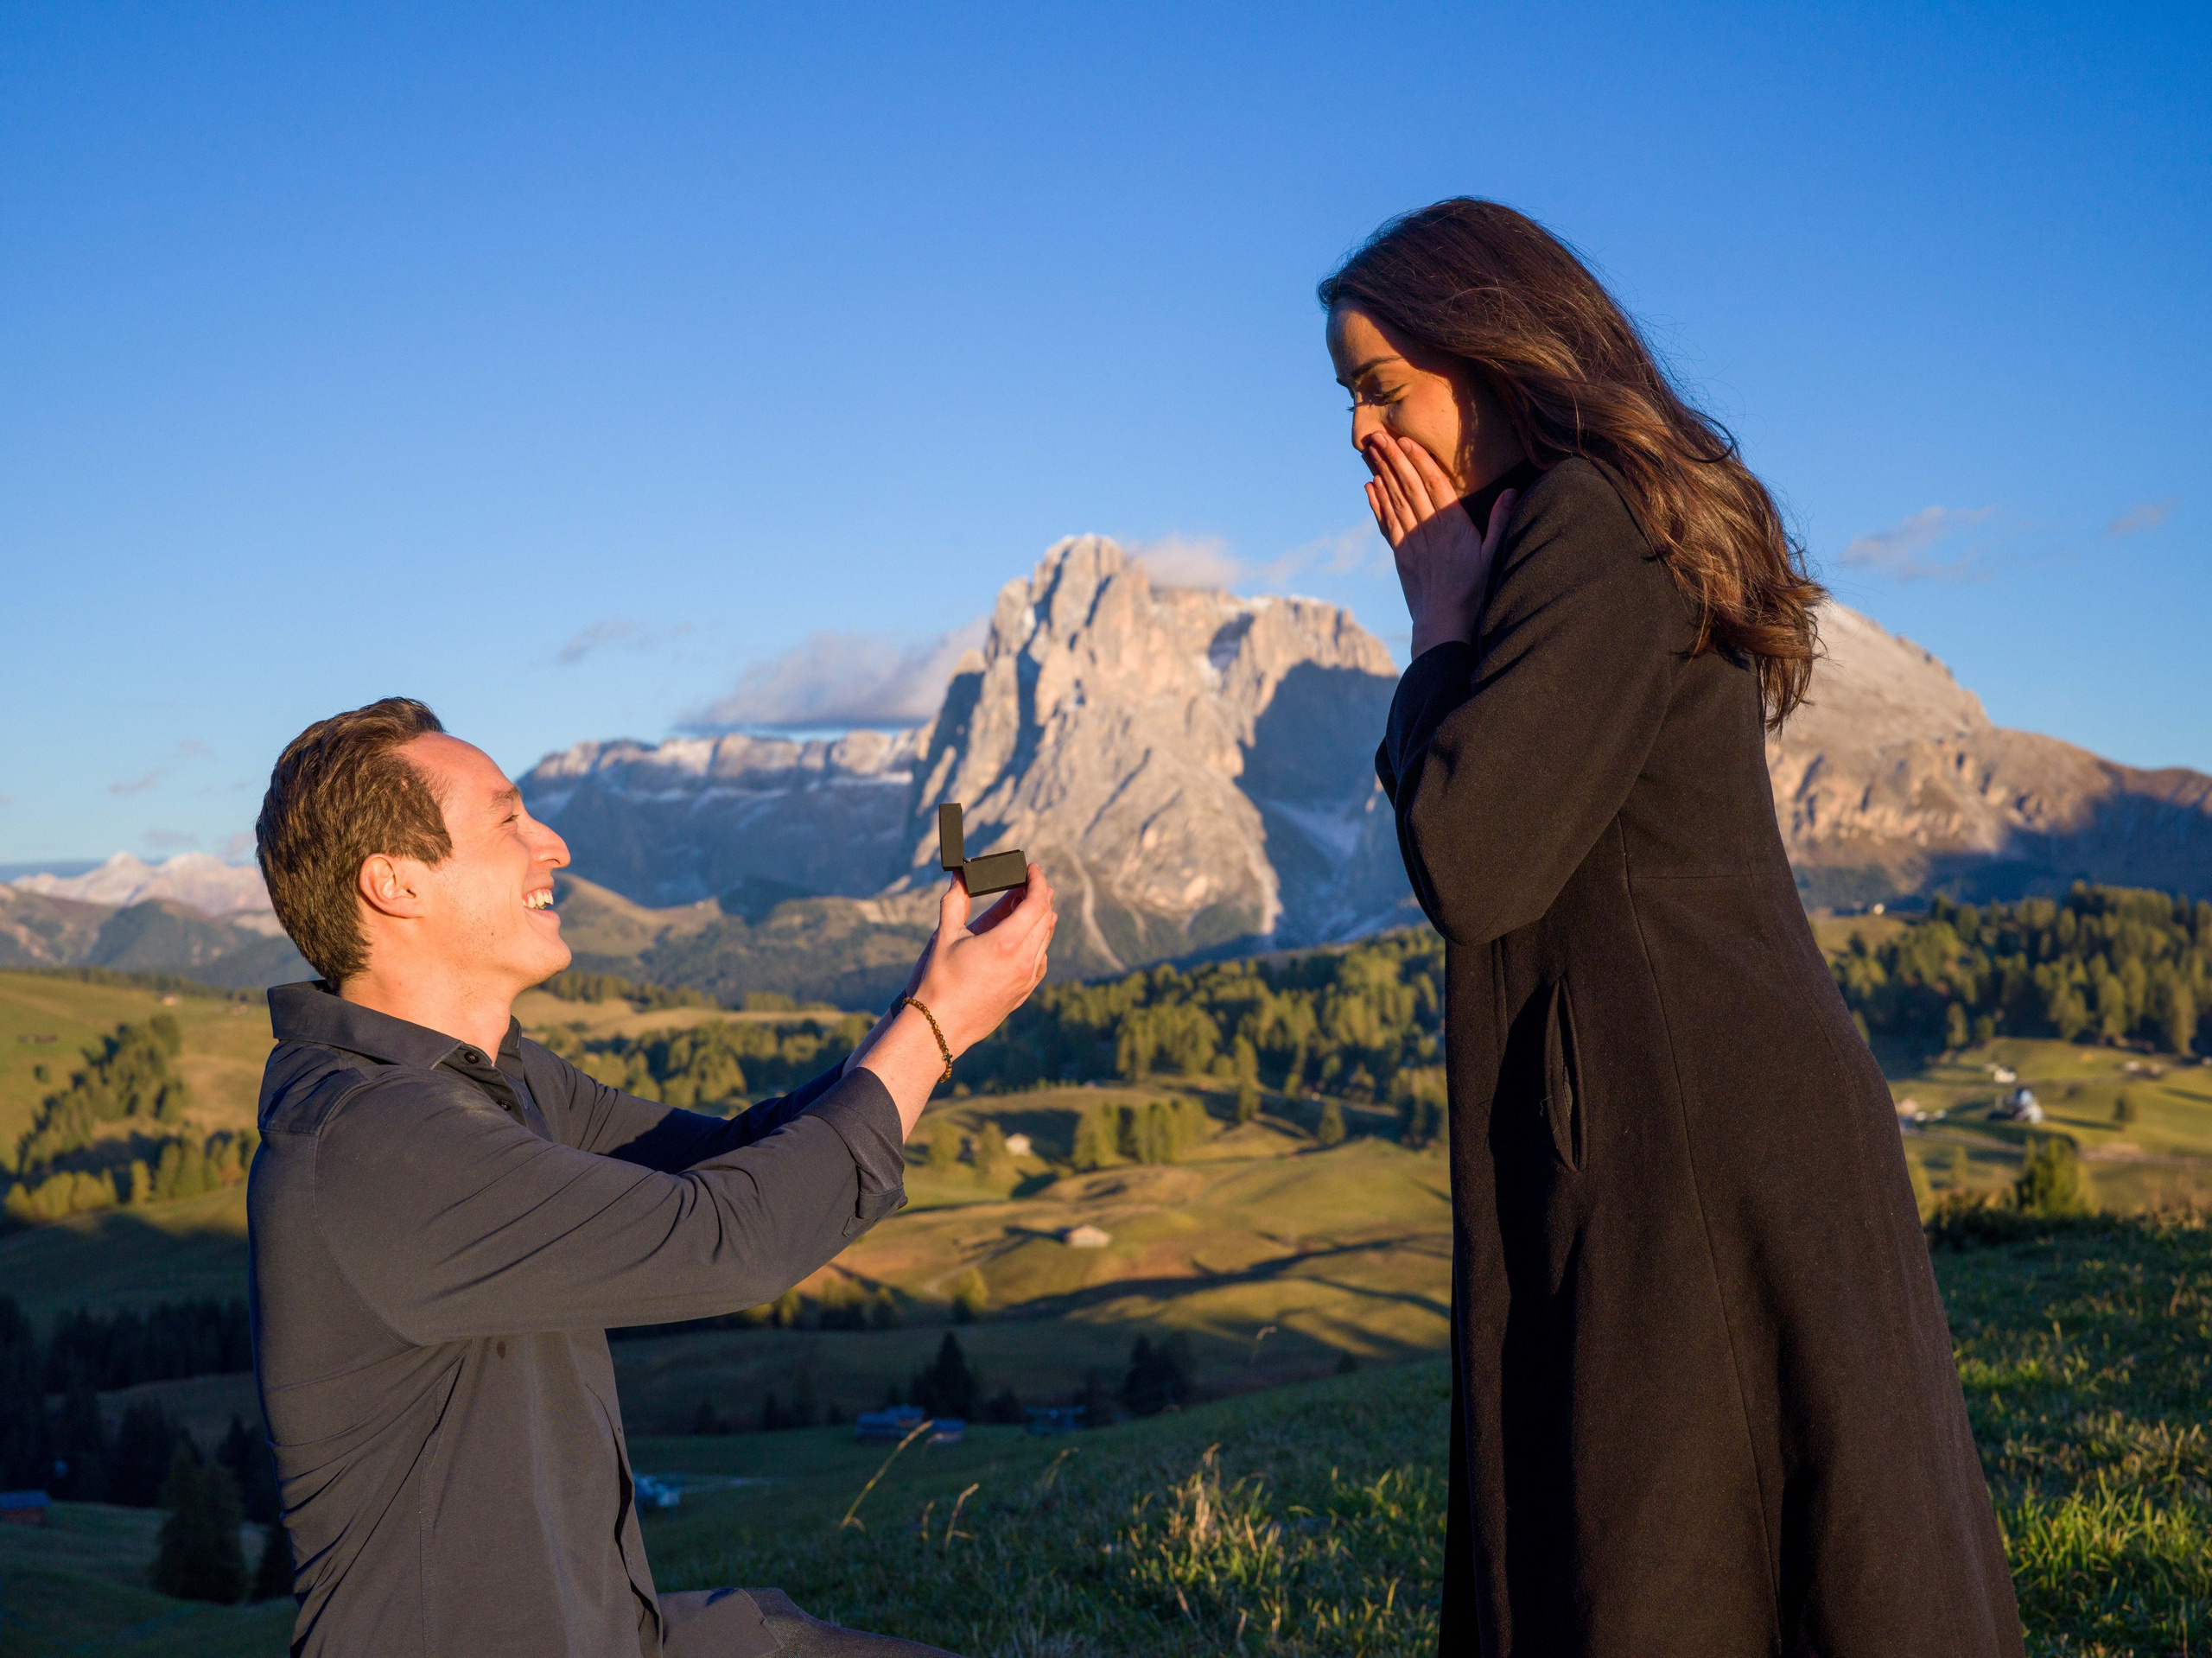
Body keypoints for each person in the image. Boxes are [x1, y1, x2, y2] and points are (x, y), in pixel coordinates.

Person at [1323, 200, 2023, 1656]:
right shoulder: (1596, 521)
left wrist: (1438, 623)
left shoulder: (1585, 521)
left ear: (1492, 355)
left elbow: (1474, 858)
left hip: (1684, 1141)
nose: (1360, 437)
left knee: (1677, 1564)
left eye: (1379, 387)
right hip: (1697, 1118)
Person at [246, 696, 1054, 1657]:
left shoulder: (493, 1080)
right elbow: (727, 1239)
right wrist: (934, 1028)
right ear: (396, 883)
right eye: (508, 819)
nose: (553, 844)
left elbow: (730, 1159)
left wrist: (923, 1010)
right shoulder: (370, 1141)